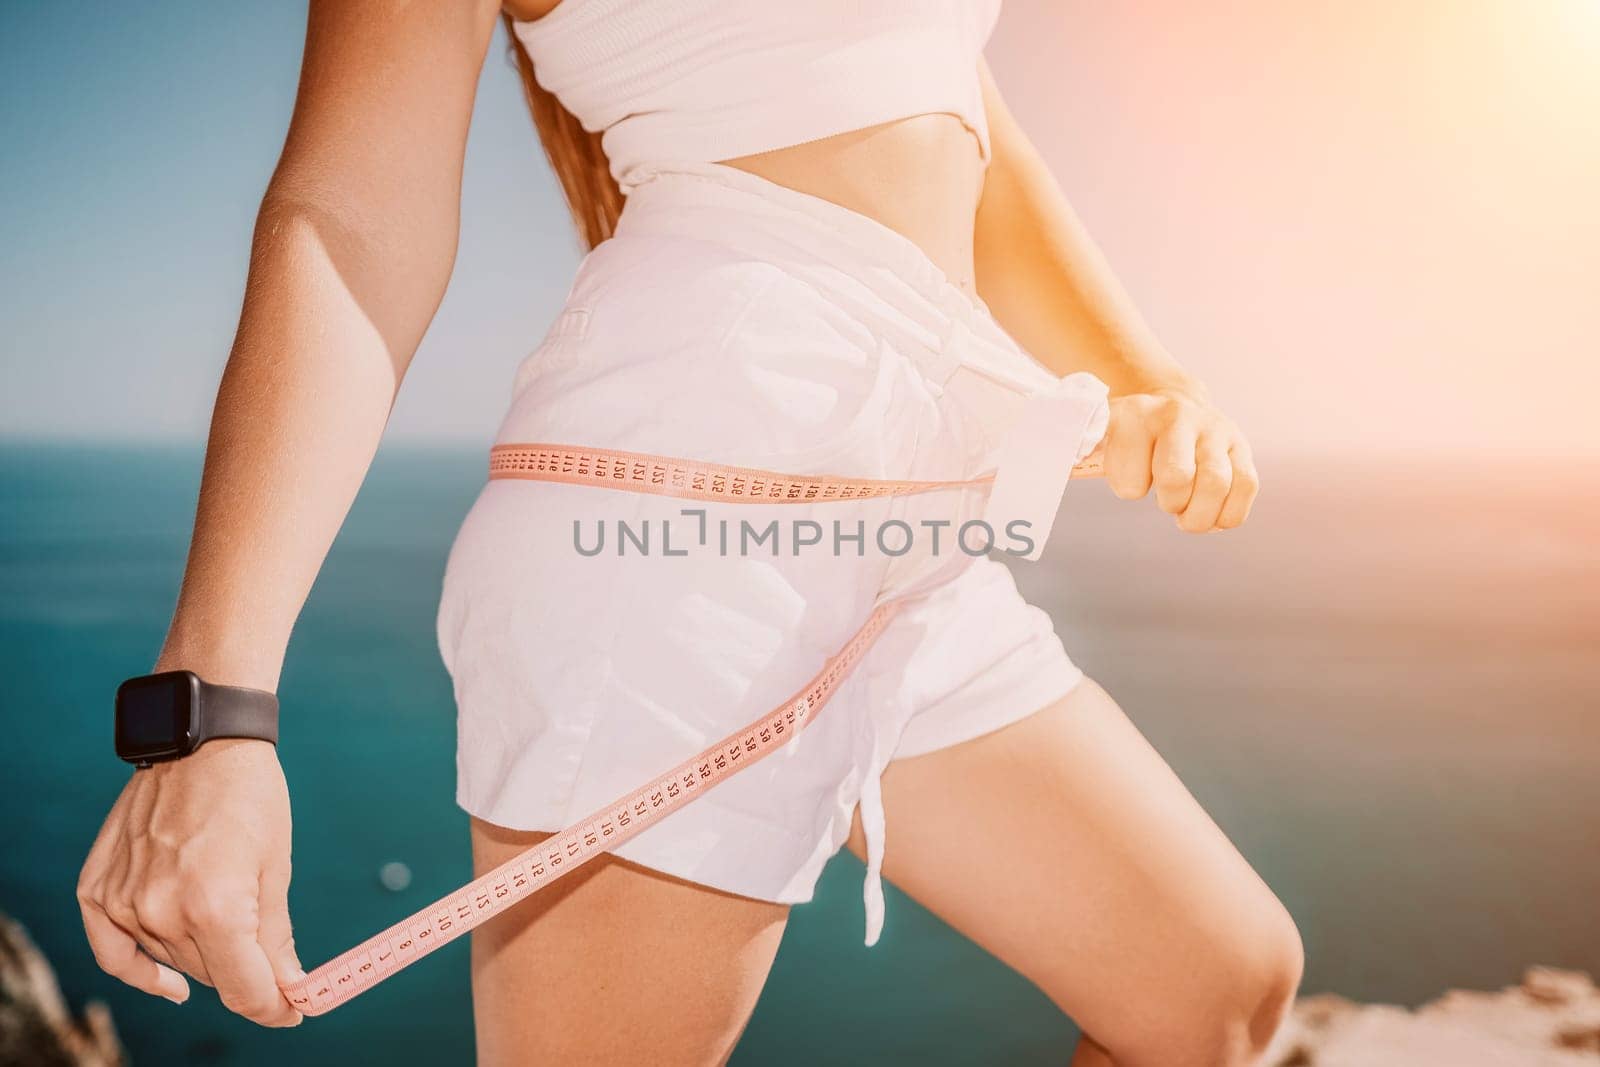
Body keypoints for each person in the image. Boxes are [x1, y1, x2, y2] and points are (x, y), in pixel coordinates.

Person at [77, 2, 1303, 1064]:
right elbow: (346, 216)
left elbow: (968, 133)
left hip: (915, 529)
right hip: (666, 529)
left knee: (1219, 990)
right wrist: (210, 716)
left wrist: (1157, 382)